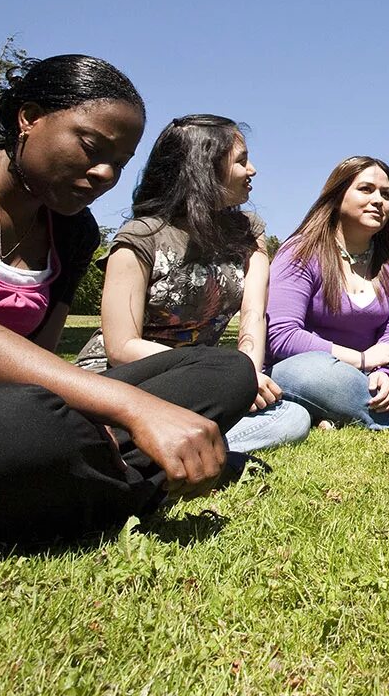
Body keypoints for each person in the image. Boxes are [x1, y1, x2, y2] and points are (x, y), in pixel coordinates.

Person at [0, 56, 256, 576]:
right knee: (21, 423)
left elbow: (44, 358)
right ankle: (127, 493)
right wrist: (135, 410)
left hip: (4, 412)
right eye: (92, 148)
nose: (104, 175)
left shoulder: (73, 231)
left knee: (223, 370)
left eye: (120, 161)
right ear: (29, 117)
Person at [75, 115, 310, 453]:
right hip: (127, 382)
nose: (252, 169)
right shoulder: (140, 238)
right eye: (242, 161)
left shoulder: (249, 231)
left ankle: (168, 444)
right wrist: (213, 374)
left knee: (292, 418)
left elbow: (254, 314)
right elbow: (122, 347)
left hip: (210, 380)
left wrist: (247, 375)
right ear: (205, 168)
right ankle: (154, 441)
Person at [266, 156, 389, 429]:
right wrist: (361, 361)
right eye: (366, 189)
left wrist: (384, 373)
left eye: (386, 195)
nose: (378, 200)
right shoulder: (300, 252)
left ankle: (341, 410)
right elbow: (282, 335)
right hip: (312, 368)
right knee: (312, 375)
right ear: (338, 196)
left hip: (371, 372)